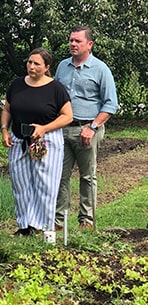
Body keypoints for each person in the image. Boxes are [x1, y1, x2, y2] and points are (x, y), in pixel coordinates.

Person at [1, 47, 72, 236]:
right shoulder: (17, 85)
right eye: (29, 62)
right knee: (21, 183)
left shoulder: (55, 88)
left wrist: (44, 128)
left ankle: (46, 227)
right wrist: (4, 131)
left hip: (45, 139)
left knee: (45, 184)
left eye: (36, 64)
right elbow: (7, 109)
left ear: (47, 67)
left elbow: (67, 116)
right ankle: (26, 226)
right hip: (19, 139)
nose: (31, 66)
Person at [54, 26, 118, 231]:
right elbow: (55, 97)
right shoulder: (62, 67)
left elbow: (110, 104)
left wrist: (92, 126)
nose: (72, 44)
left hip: (87, 130)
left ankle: (86, 221)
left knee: (87, 176)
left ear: (89, 44)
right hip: (63, 129)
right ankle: (58, 222)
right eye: (71, 40)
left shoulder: (100, 69)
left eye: (77, 41)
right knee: (60, 176)